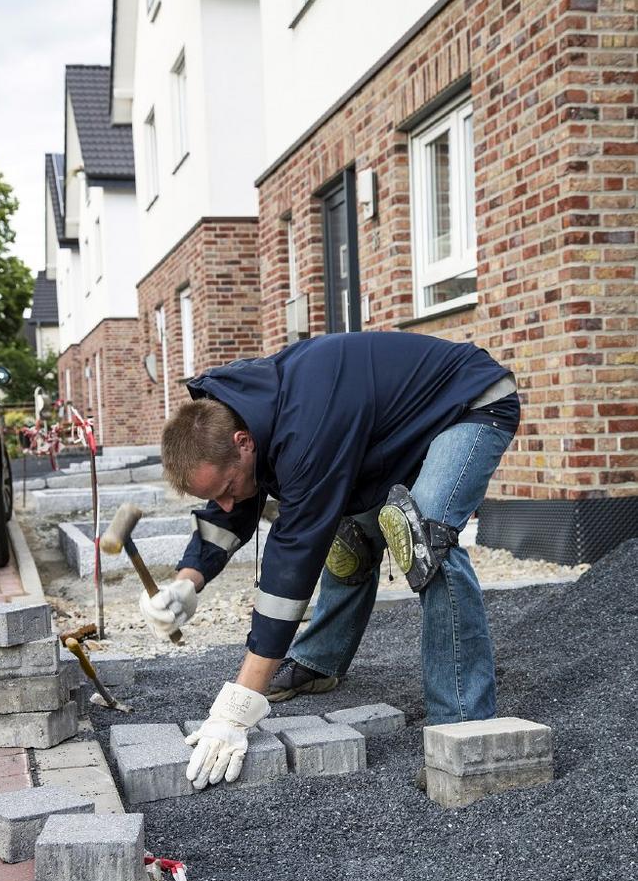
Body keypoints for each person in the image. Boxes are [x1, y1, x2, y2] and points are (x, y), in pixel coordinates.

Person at [140, 331, 520, 791]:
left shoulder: (304, 430)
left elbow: (290, 567)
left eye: (225, 489)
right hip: (391, 434)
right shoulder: (242, 420)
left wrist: (237, 706)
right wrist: (187, 580)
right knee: (346, 538)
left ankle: (463, 720)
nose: (225, 503)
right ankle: (319, 662)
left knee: (423, 540)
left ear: (243, 444)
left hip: (468, 402)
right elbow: (235, 508)